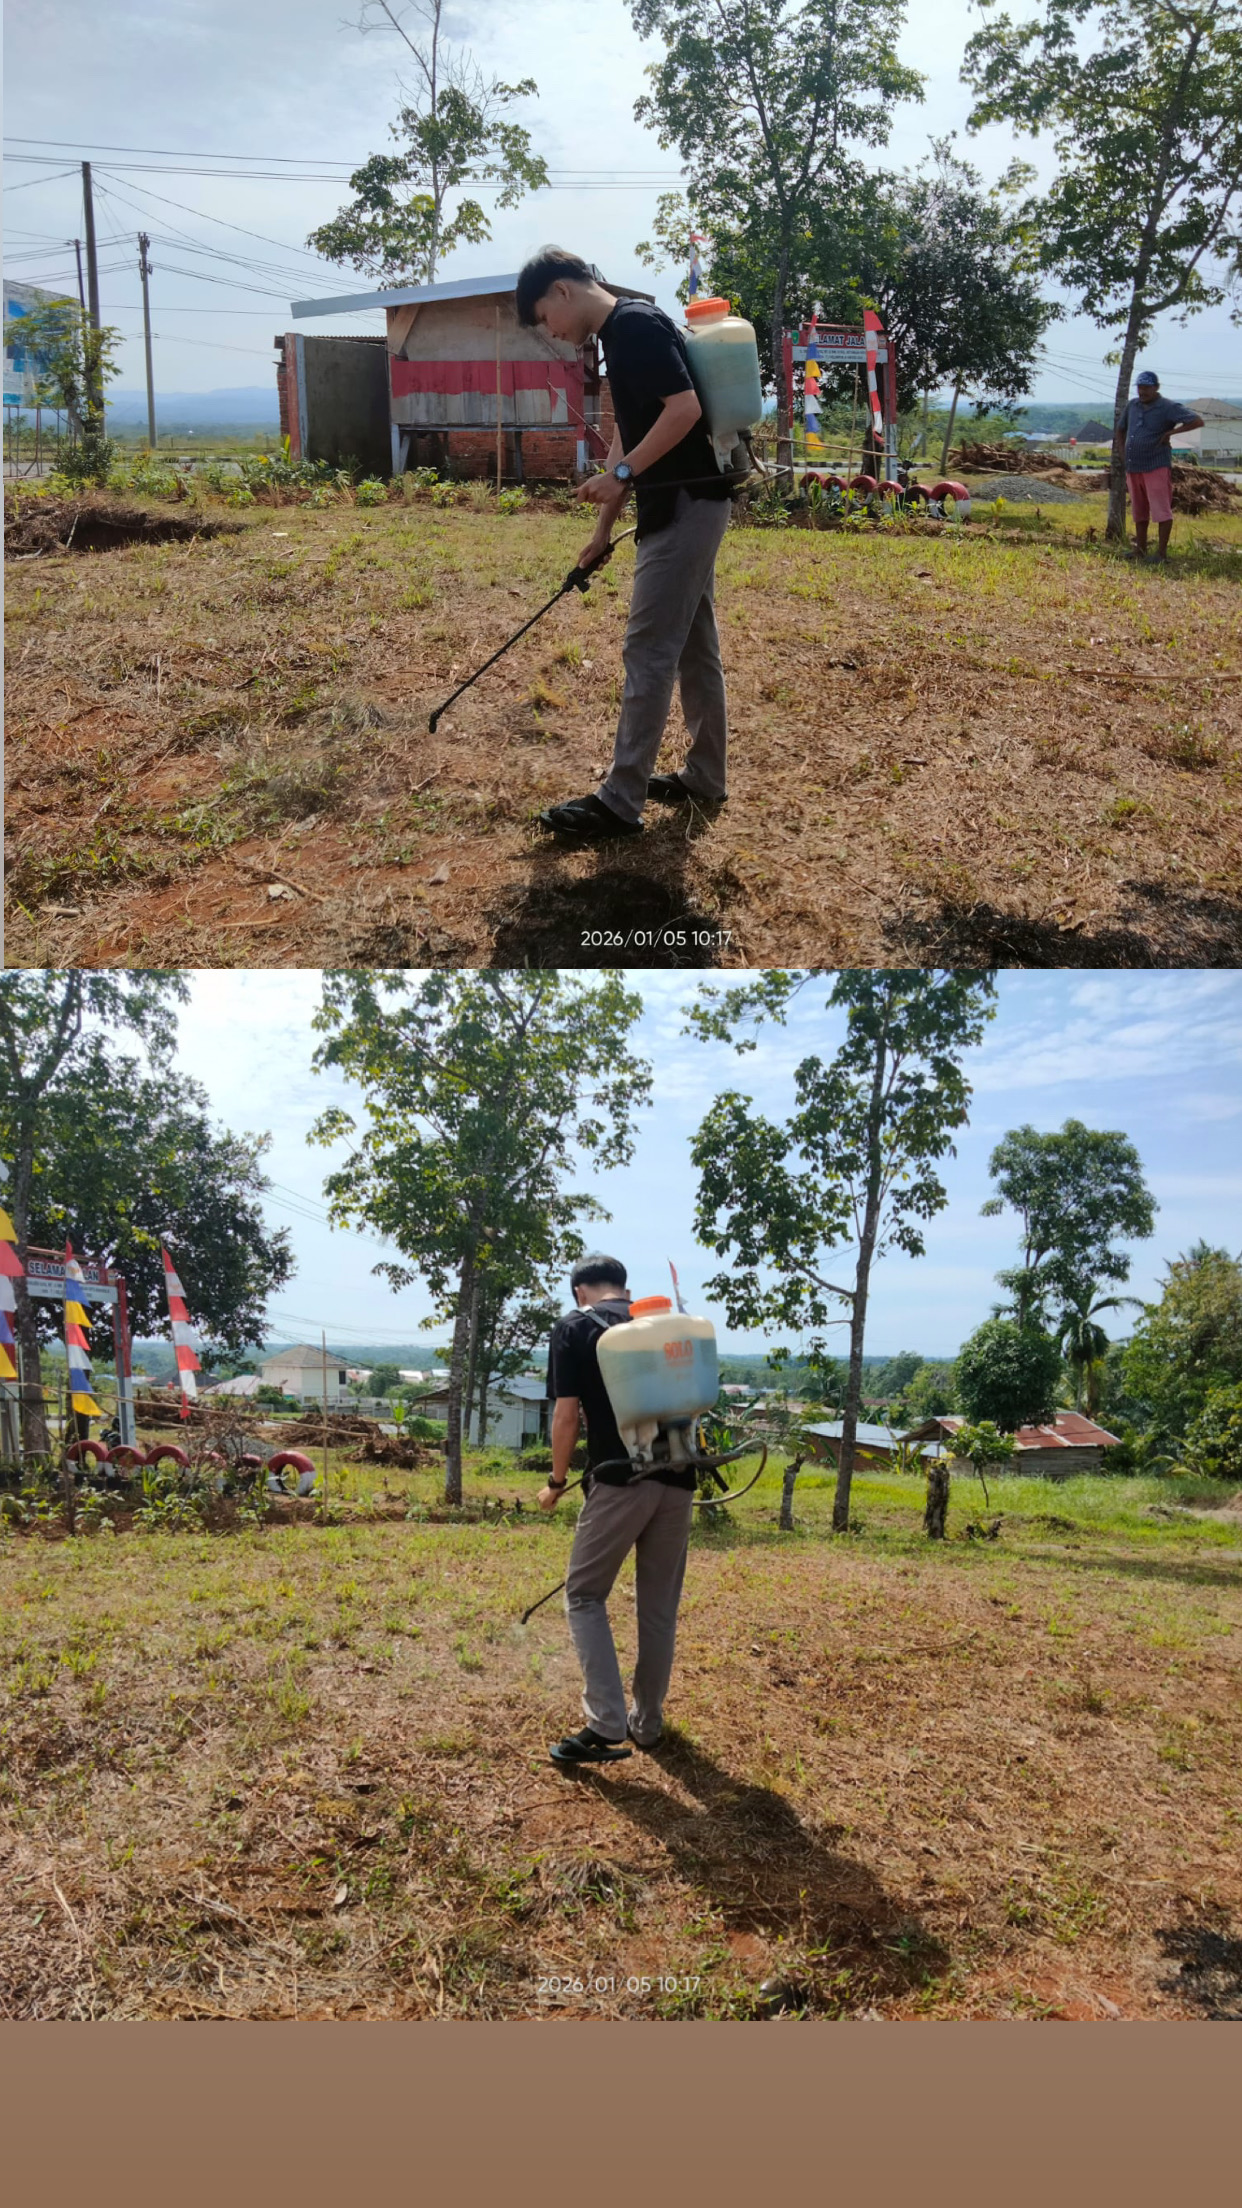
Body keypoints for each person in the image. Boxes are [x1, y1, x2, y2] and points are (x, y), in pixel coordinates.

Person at [514, 246, 734, 843]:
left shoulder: (633, 325)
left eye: (545, 319)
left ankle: (619, 800)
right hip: (688, 502)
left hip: (686, 503)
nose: (554, 334)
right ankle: (705, 776)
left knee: (648, 650)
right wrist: (601, 532)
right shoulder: (625, 330)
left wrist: (622, 478)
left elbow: (683, 411)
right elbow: (626, 439)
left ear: (562, 290)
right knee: (692, 644)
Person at [541, 1253, 696, 1767]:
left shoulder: (575, 1328)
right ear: (624, 1290)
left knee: (584, 1596)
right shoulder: (658, 1326)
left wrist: (556, 1483)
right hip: (679, 1480)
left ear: (581, 1290)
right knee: (657, 1610)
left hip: (618, 1480)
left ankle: (605, 1723)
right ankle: (646, 1724)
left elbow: (567, 1416)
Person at [1113, 372, 1203, 561]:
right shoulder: (1133, 405)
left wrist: (1171, 432)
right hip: (1133, 466)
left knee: (1161, 509)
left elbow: (1196, 420)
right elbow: (1120, 429)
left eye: (1146, 387)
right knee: (1139, 510)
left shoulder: (1167, 407)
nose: (1142, 391)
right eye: (1140, 387)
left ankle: (1161, 554)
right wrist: (1123, 454)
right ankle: (1140, 550)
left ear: (1156, 387)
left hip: (1156, 465)